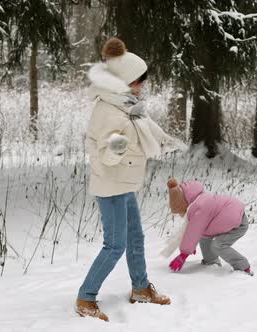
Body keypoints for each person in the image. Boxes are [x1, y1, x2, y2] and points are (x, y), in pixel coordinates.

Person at [76, 37, 183, 322]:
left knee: (135, 236)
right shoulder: (107, 110)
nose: (142, 85)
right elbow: (102, 154)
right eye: (138, 81)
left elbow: (145, 128)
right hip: (110, 185)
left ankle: (140, 288)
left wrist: (165, 141)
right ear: (123, 82)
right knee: (115, 245)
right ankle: (86, 298)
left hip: (125, 183)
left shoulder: (127, 105)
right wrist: (116, 149)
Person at [165, 178, 253, 276]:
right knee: (204, 235)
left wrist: (184, 254)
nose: (180, 215)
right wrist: (191, 244)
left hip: (239, 224)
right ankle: (211, 261)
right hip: (234, 216)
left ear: (184, 204)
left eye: (180, 211)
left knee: (218, 245)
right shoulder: (200, 199)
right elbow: (195, 230)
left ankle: (243, 267)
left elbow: (194, 230)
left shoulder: (199, 206)